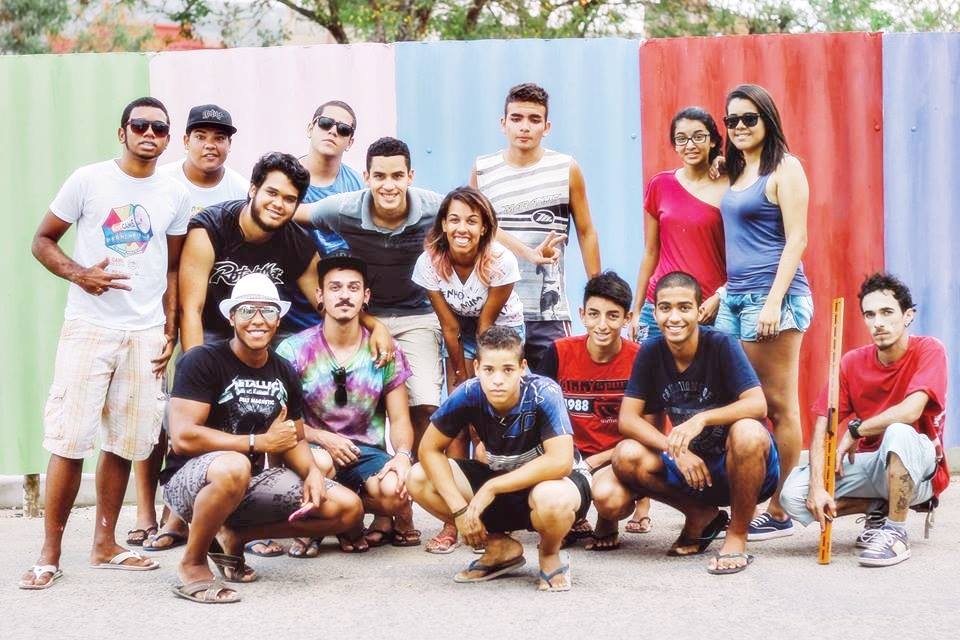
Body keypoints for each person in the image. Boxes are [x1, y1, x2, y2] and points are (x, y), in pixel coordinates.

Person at [170, 151, 392, 558]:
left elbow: (327, 299)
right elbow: (191, 307)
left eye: (290, 199)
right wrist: (196, 366)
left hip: (261, 332)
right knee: (201, 417)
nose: (279, 204)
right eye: (272, 193)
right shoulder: (211, 228)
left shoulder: (294, 241)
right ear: (253, 189)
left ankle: (250, 516)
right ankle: (178, 517)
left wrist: (375, 326)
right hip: (214, 332)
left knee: (264, 407)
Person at [20, 97, 190, 590]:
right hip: (89, 326)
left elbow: (172, 267)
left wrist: (170, 330)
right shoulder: (88, 180)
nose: (149, 134)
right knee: (69, 440)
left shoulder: (174, 194)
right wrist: (80, 274)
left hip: (145, 332)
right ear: (122, 132)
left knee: (126, 441)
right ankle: (49, 554)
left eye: (159, 128)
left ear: (167, 138)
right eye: (140, 125)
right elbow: (42, 240)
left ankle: (105, 544)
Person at [162, 273, 363, 603]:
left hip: (247, 483)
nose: (258, 320)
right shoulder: (202, 360)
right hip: (191, 483)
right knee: (234, 465)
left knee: (347, 509)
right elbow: (184, 437)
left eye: (267, 311)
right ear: (231, 317)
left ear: (278, 318)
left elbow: (292, 435)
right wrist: (257, 443)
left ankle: (234, 535)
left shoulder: (283, 370)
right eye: (247, 310)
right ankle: (193, 563)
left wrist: (312, 472)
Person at [604, 271, 780, 574]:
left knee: (748, 431)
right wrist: (674, 451)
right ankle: (701, 515)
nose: (674, 317)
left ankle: (737, 537)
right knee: (626, 454)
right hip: (692, 471)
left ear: (699, 312)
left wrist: (702, 419)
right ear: (655, 313)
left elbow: (757, 404)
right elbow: (628, 419)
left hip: (742, 469)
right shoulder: (651, 352)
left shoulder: (721, 344)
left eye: (684, 307)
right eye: (665, 308)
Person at [138, 104, 250, 553]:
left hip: (221, 320)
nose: (210, 145)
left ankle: (207, 513)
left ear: (229, 144)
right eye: (201, 136)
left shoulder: (239, 188)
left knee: (218, 417)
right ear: (184, 141)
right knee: (158, 418)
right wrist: (182, 339)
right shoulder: (163, 183)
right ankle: (149, 512)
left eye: (220, 137)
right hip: (165, 314)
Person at [780, 272, 949, 567]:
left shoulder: (929, 349)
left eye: (887, 312)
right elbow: (822, 423)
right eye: (870, 315)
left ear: (908, 315)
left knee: (898, 431)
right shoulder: (852, 362)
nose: (878, 322)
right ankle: (878, 507)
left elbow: (911, 411)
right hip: (874, 465)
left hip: (920, 470)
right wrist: (817, 487)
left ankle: (896, 532)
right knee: (793, 496)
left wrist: (857, 431)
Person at [294, 137, 444, 465]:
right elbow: (290, 212)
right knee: (358, 402)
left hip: (416, 314)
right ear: (366, 177)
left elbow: (479, 219)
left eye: (397, 176)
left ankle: (415, 479)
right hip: (363, 312)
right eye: (379, 176)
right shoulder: (343, 208)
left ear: (410, 176)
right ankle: (361, 472)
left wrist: (528, 254)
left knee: (425, 405)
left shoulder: (435, 208)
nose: (388, 185)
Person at [408, 326, 592, 591]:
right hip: (503, 480)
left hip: (557, 484)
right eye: (489, 370)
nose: (497, 380)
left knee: (551, 498)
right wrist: (459, 511)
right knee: (418, 477)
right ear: (476, 368)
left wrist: (492, 487)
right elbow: (429, 450)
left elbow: (560, 461)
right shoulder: (468, 393)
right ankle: (499, 546)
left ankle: (550, 553)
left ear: (522, 368)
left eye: (507, 370)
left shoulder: (543, 391)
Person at [712, 83, 813, 541]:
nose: (739, 127)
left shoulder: (785, 167)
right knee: (738, 400)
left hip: (773, 300)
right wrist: (722, 292)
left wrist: (774, 300)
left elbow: (797, 239)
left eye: (748, 118)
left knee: (778, 404)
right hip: (735, 299)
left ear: (767, 120)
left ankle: (779, 509)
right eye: (731, 120)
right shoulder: (736, 170)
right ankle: (746, 496)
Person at [277, 252, 419, 555]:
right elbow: (281, 421)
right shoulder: (294, 349)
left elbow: (400, 418)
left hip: (365, 453)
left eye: (353, 288)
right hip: (314, 452)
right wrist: (322, 437)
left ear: (365, 296)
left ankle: (345, 515)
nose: (344, 295)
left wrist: (403, 455)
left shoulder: (384, 350)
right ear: (320, 295)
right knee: (321, 462)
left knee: (394, 491)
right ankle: (339, 523)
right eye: (335, 287)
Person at [411, 184, 525, 552]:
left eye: (472, 221)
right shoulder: (430, 262)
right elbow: (449, 327)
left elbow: (486, 329)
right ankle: (453, 518)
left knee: (492, 416)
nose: (463, 228)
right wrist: (461, 378)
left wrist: (479, 376)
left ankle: (501, 508)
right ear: (444, 224)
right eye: (455, 220)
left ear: (484, 227)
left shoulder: (501, 260)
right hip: (458, 333)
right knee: (456, 415)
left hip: (500, 331)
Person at [472, 82, 602, 374]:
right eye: (516, 118)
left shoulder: (566, 168)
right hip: (497, 306)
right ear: (503, 123)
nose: (524, 127)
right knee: (497, 392)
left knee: (555, 390)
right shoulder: (483, 170)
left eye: (534, 119)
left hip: (549, 309)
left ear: (547, 126)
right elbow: (474, 230)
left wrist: (598, 291)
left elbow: (586, 232)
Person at [540, 271, 646, 550]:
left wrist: (596, 461)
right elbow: (539, 415)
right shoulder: (559, 352)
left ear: (627, 318)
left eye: (613, 316)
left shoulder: (640, 358)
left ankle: (606, 520)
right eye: (594, 314)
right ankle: (570, 519)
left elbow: (648, 429)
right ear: (582, 315)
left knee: (611, 500)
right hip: (566, 455)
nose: (602, 324)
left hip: (614, 460)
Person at [630, 106, 727, 342]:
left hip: (707, 307)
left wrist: (720, 296)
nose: (690, 145)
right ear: (674, 144)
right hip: (659, 305)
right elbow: (651, 251)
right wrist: (637, 309)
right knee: (652, 366)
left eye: (698, 136)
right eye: (681, 139)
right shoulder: (660, 185)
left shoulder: (730, 186)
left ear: (713, 141)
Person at [284, 100, 365, 333]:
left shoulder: (357, 187)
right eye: (326, 123)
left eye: (343, 129)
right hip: (289, 316)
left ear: (350, 142)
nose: (333, 131)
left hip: (343, 310)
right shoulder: (285, 177)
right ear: (311, 128)